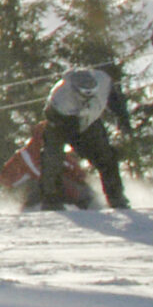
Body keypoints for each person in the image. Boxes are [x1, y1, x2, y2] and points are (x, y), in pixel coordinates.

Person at [38, 65, 132, 210]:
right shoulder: (61, 96)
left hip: (89, 121)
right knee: (52, 159)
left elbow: (113, 98)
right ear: (74, 90)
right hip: (59, 124)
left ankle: (116, 198)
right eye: (84, 95)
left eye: (91, 94)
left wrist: (122, 117)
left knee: (107, 157)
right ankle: (51, 199)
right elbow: (55, 117)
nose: (88, 97)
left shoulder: (103, 80)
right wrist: (80, 145)